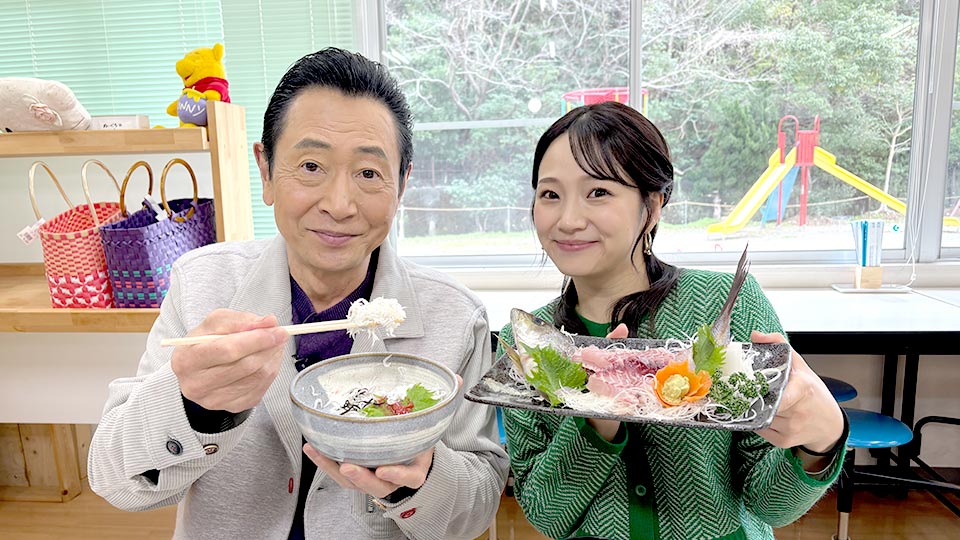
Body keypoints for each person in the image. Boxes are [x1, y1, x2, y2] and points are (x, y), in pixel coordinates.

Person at [88, 48, 508, 540]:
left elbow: (476, 508)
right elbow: (115, 482)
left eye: (369, 173)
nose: (339, 204)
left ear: (402, 184)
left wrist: (421, 478)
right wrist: (192, 405)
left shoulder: (457, 318)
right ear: (265, 171)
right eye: (310, 166)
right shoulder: (202, 284)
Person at [498, 101, 848, 540]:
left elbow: (769, 505)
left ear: (653, 204)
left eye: (598, 192)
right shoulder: (528, 343)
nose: (567, 220)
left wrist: (821, 441)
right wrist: (597, 416)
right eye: (550, 194)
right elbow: (546, 516)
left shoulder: (724, 305)